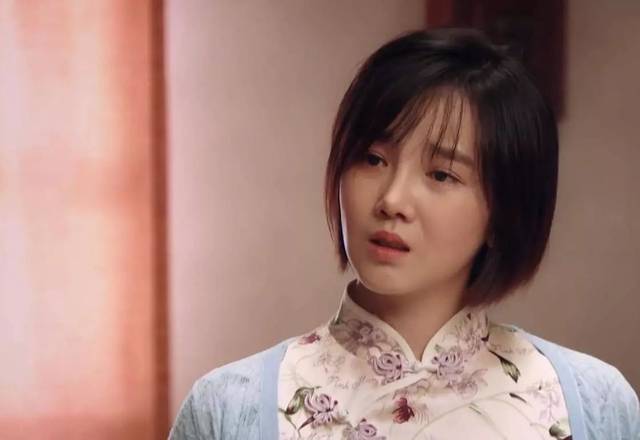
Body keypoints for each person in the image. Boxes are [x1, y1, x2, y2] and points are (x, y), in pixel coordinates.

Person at [168, 28, 639, 439]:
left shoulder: (592, 402)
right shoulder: (230, 408)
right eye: (373, 159)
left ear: (503, 213)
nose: (392, 200)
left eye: (441, 174)